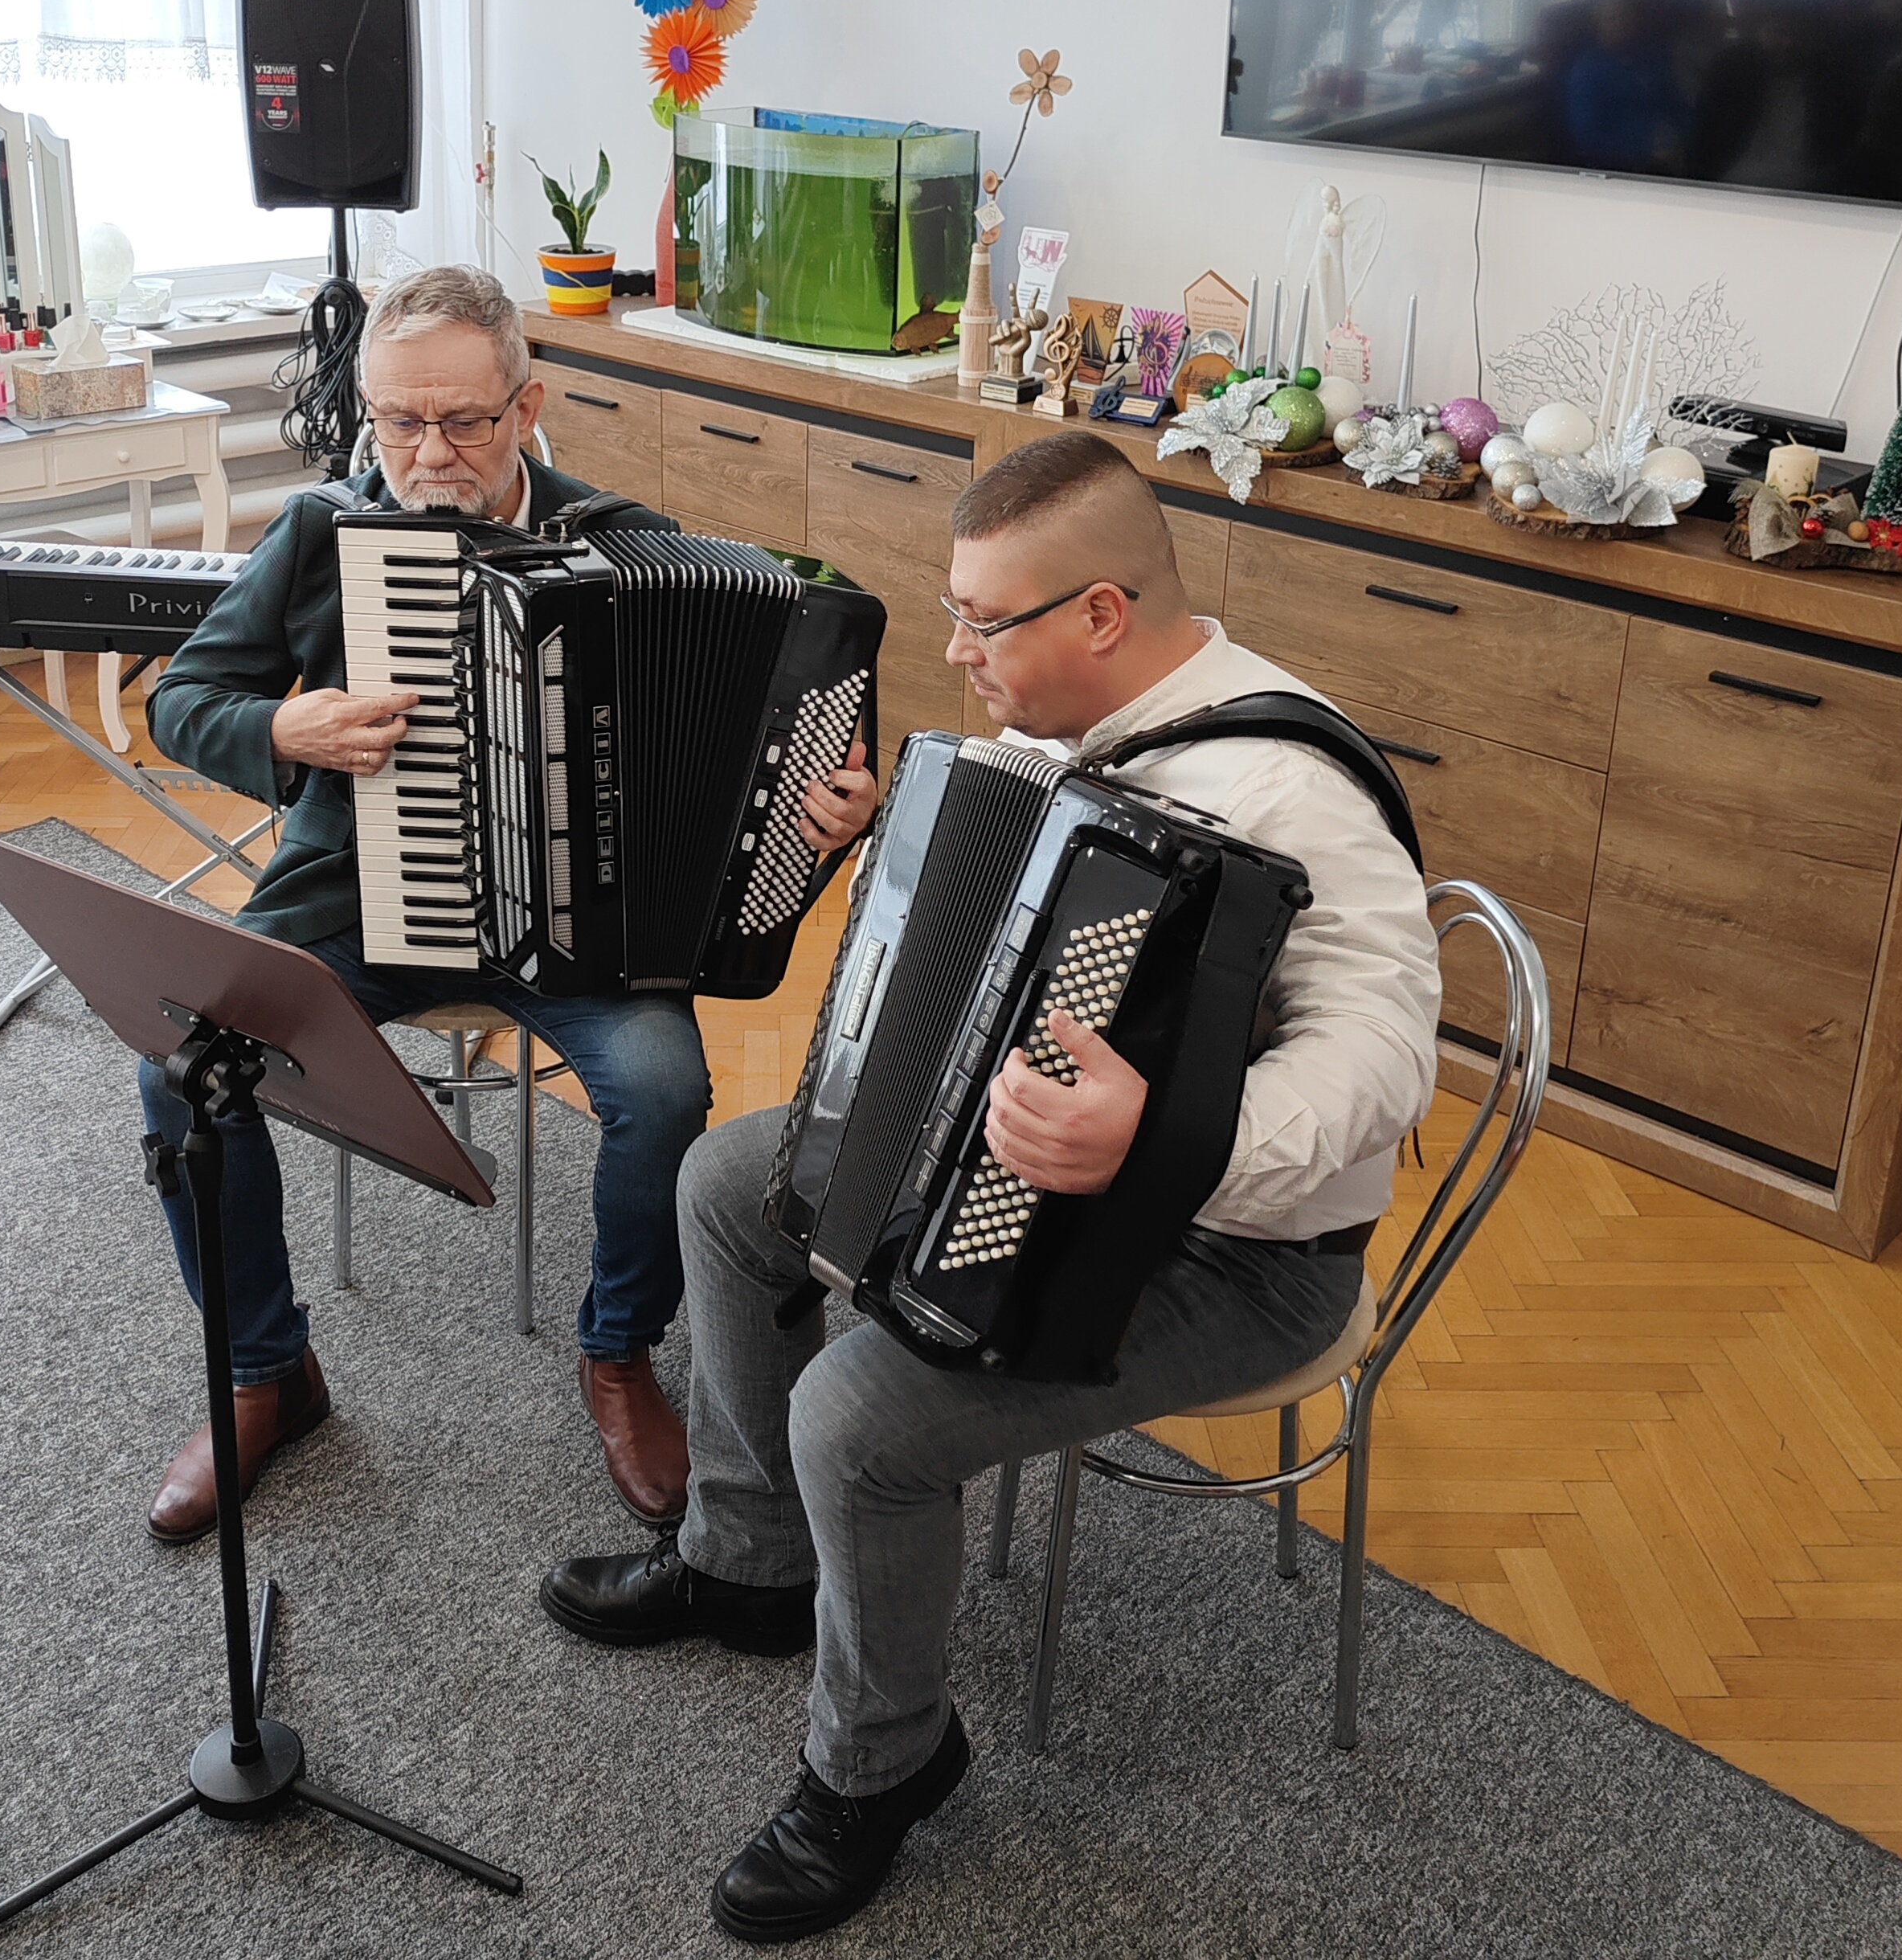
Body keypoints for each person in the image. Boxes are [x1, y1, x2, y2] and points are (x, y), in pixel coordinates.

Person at [537, 430, 1440, 1944]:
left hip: (1241, 1257)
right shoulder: (1096, 726)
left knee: (858, 1417)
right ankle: (755, 1563)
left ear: (1100, 613)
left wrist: (1164, 1143)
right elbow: (1026, 887)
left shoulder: (1293, 792)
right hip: (1021, 1153)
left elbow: (1386, 1065)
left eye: (985, 623)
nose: (955, 655)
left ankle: (881, 1762)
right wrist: (880, 832)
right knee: (720, 1185)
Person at [135, 263, 877, 1541]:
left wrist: (831, 811)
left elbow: (773, 746)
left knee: (662, 1092)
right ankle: (267, 1374)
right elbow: (180, 702)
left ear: (529, 405)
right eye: (398, 422)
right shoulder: (322, 534)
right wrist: (287, 725)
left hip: (578, 933)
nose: (429, 454)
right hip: (349, 900)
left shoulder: (626, 543)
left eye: (466, 422)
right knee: (176, 1070)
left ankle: (617, 1351)